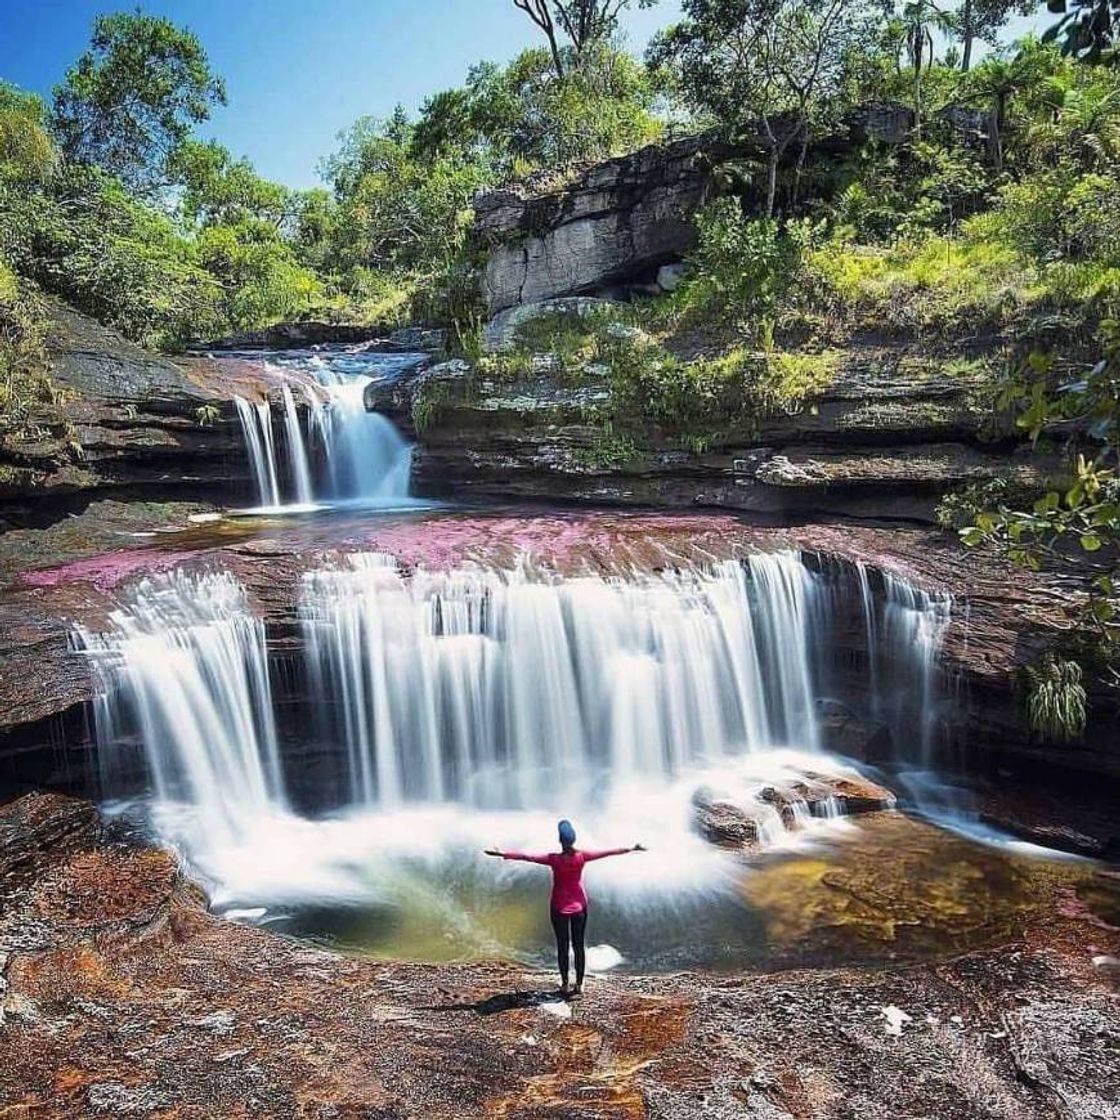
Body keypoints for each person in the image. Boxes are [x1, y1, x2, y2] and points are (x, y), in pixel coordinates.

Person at [485, 819, 645, 998]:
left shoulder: (553, 859)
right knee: (578, 946)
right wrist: (631, 848)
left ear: (560, 840)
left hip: (559, 908)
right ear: (573, 840)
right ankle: (579, 985)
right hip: (579, 908)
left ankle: (564, 984)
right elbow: (607, 853)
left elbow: (527, 856)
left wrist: (503, 854)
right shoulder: (582, 857)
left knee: (562, 946)